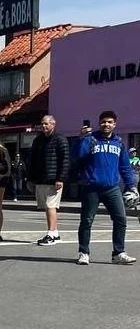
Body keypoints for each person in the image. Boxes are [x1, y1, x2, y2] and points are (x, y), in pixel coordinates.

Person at [73, 110, 137, 265]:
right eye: (103, 122)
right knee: (87, 221)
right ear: (99, 123)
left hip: (112, 188)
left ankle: (118, 253)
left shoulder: (119, 143)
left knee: (121, 219)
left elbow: (125, 167)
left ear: (114, 124)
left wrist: (132, 186)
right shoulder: (90, 139)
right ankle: (84, 253)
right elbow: (76, 157)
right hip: (91, 187)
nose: (106, 124)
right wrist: (81, 139)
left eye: (109, 122)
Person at [28, 115, 71, 246]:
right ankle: (55, 233)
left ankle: (51, 233)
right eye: (42, 124)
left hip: (54, 180)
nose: (44, 126)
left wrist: (61, 178)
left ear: (53, 124)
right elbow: (32, 160)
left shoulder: (60, 139)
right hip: (41, 178)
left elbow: (65, 160)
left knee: (51, 205)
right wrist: (30, 178)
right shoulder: (38, 140)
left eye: (47, 124)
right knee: (47, 207)